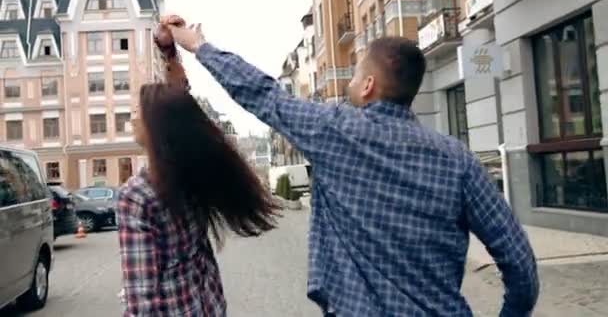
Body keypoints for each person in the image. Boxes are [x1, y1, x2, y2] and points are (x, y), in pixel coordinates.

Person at [164, 16, 539, 317]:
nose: (351, 82)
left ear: (369, 85)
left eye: (356, 74)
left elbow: (262, 93)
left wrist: (199, 45)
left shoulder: (334, 131)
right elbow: (520, 266)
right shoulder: (459, 160)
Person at [116, 55, 281, 315]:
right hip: (208, 304)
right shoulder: (192, 172)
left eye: (136, 112)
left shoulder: (136, 195)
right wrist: (169, 54)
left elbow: (142, 299)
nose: (132, 119)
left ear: (157, 127)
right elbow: (180, 109)